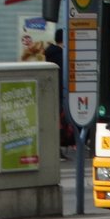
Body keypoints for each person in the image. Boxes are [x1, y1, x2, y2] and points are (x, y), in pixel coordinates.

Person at [44, 28, 70, 158]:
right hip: (60, 91)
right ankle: (57, 149)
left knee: (56, 121)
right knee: (59, 121)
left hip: (53, 91)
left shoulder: (50, 53)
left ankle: (56, 148)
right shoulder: (60, 56)